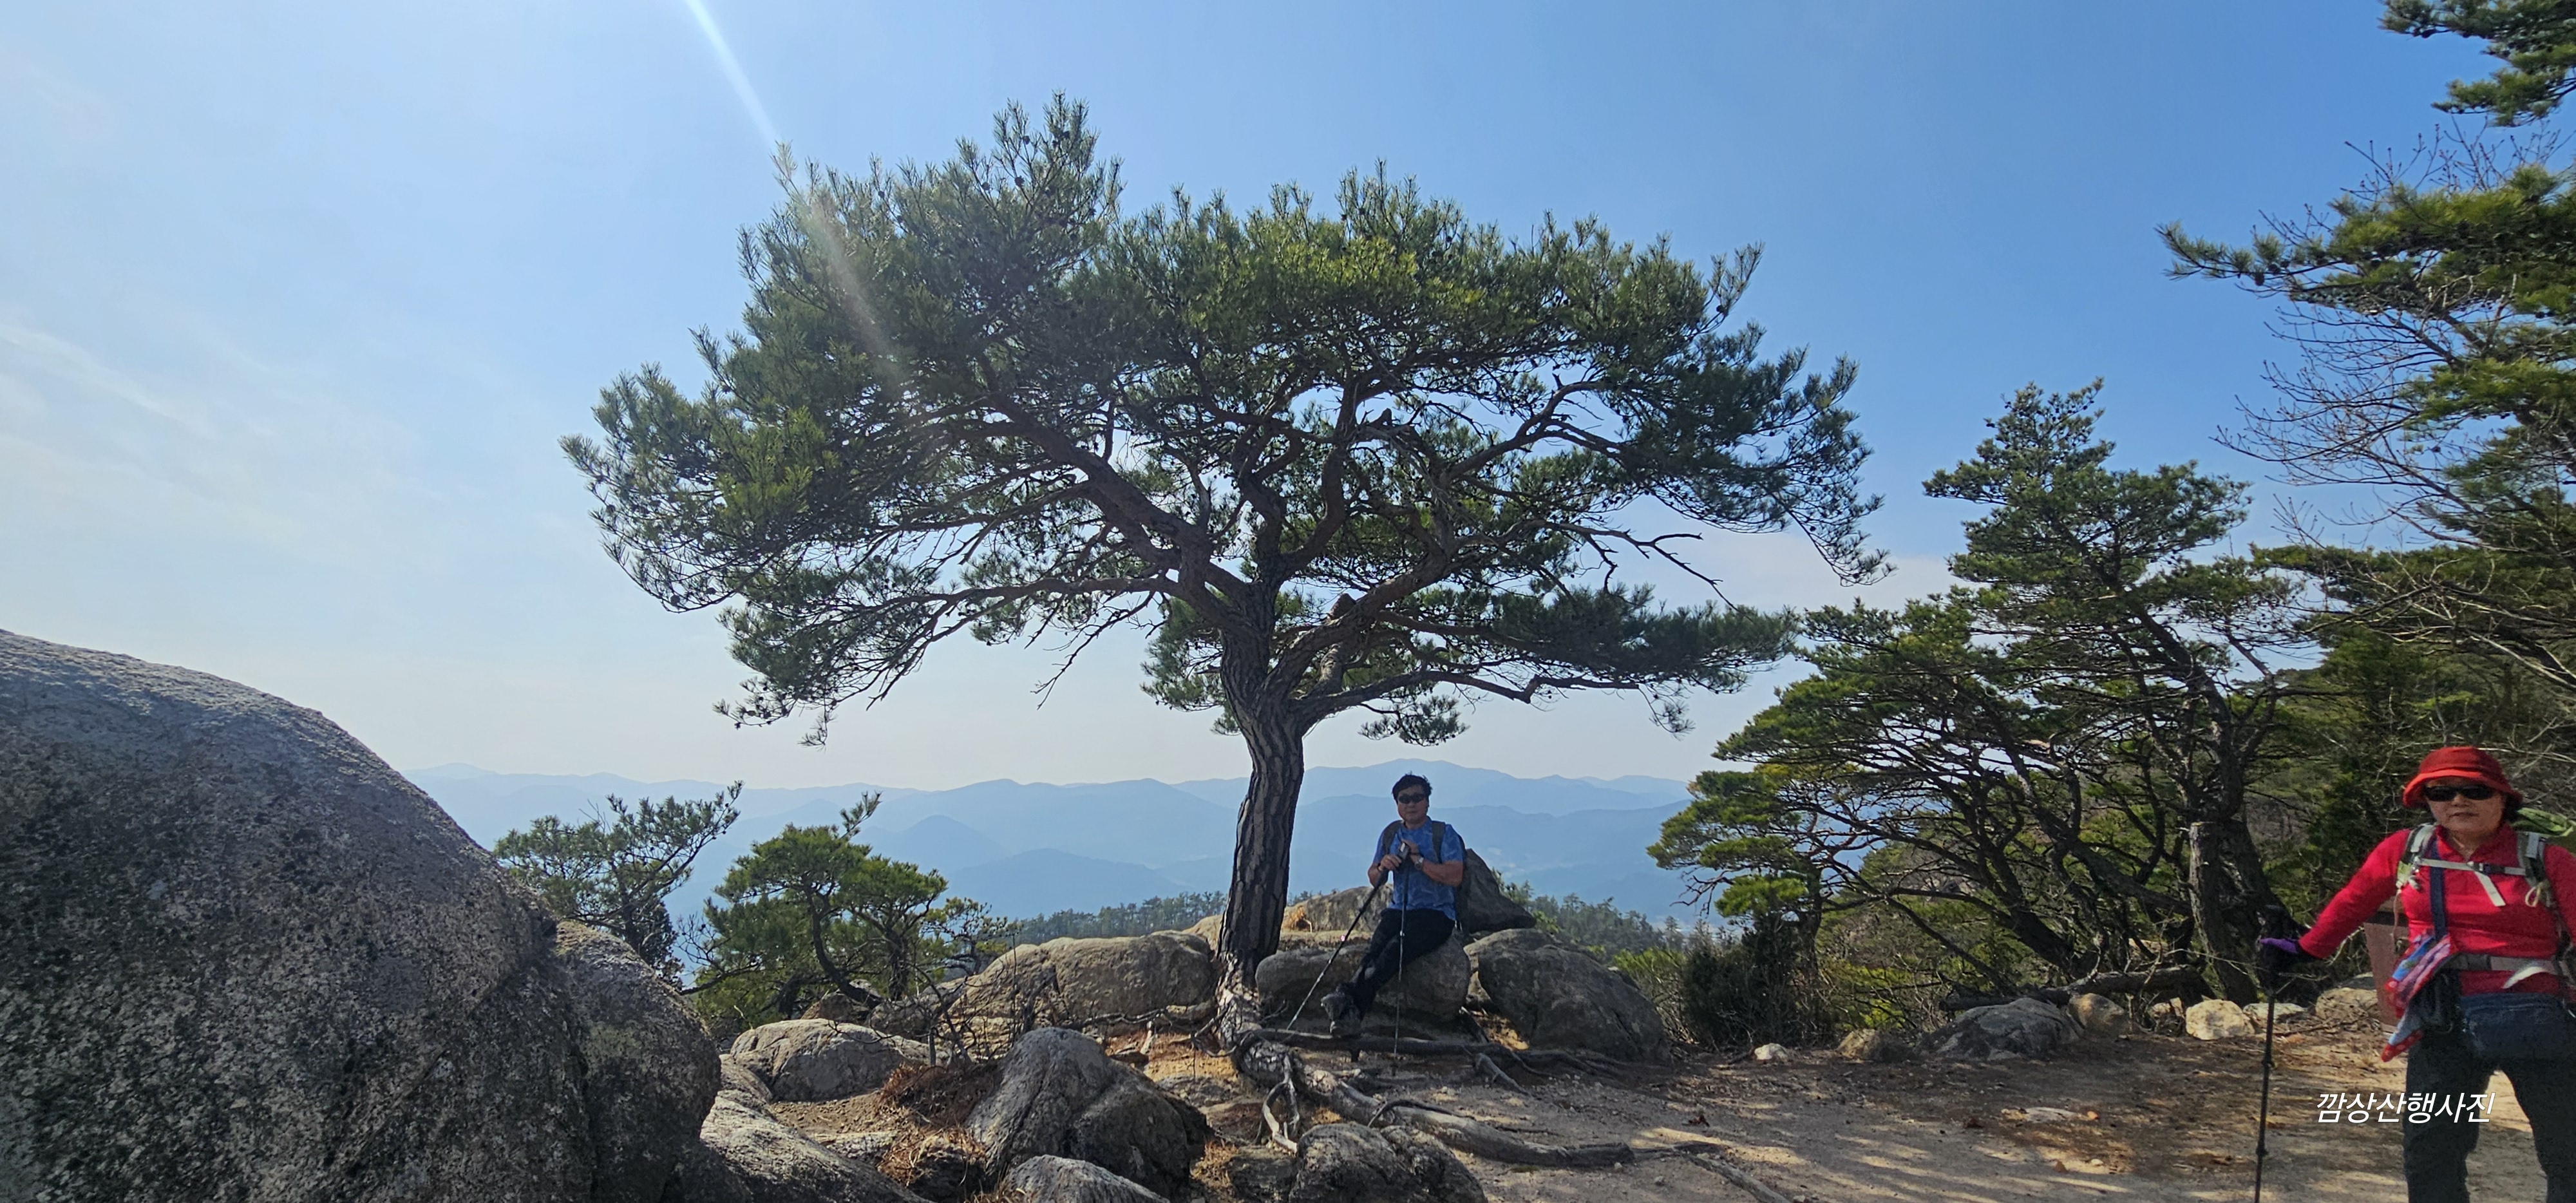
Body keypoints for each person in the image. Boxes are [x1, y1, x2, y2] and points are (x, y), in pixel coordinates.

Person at [2258, 746, 2576, 1203]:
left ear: (2503, 798)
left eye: (2475, 791)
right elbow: (2354, 901)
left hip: (2535, 1020)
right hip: (2442, 1018)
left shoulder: (2547, 859)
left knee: (2566, 1149)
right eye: (2441, 792)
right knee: (2433, 1149)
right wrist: (2305, 949)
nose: (2458, 801)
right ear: (2425, 800)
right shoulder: (2408, 850)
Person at [1324, 773, 1466, 1037]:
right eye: (1404, 799)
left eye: (1417, 798)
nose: (1411, 804)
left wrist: (1419, 861)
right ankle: (1348, 1018)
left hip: (1436, 914)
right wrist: (1383, 866)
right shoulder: (1391, 834)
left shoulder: (1443, 834)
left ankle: (1345, 997)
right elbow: (1374, 877)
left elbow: (1455, 876)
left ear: (1427, 802)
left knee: (1392, 955)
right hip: (1398, 910)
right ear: (1397, 804)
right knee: (1372, 954)